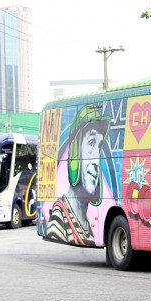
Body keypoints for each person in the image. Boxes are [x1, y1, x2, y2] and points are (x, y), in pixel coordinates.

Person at [46, 104, 110, 246]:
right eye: (91, 143)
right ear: (75, 153)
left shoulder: (84, 222)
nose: (95, 161)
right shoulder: (59, 219)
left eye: (99, 148)